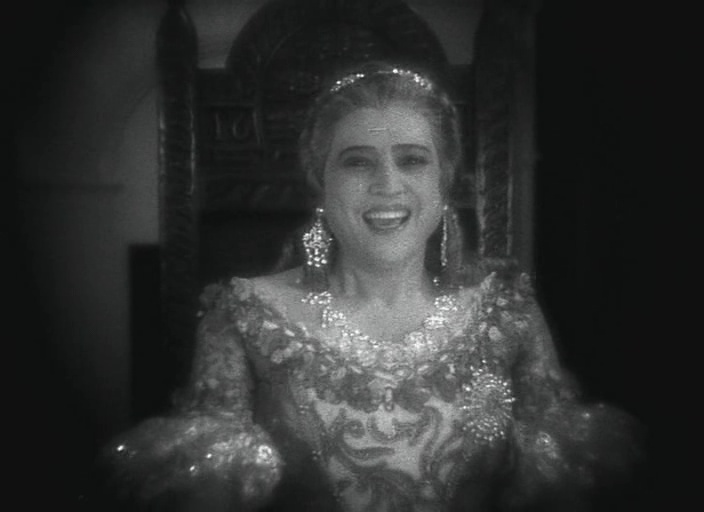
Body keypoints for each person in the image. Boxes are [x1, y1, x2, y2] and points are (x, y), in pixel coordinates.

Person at [96, 61, 643, 512]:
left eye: (413, 160)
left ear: (444, 184)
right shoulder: (245, 315)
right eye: (358, 162)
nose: (387, 184)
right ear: (321, 184)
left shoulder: (508, 314)